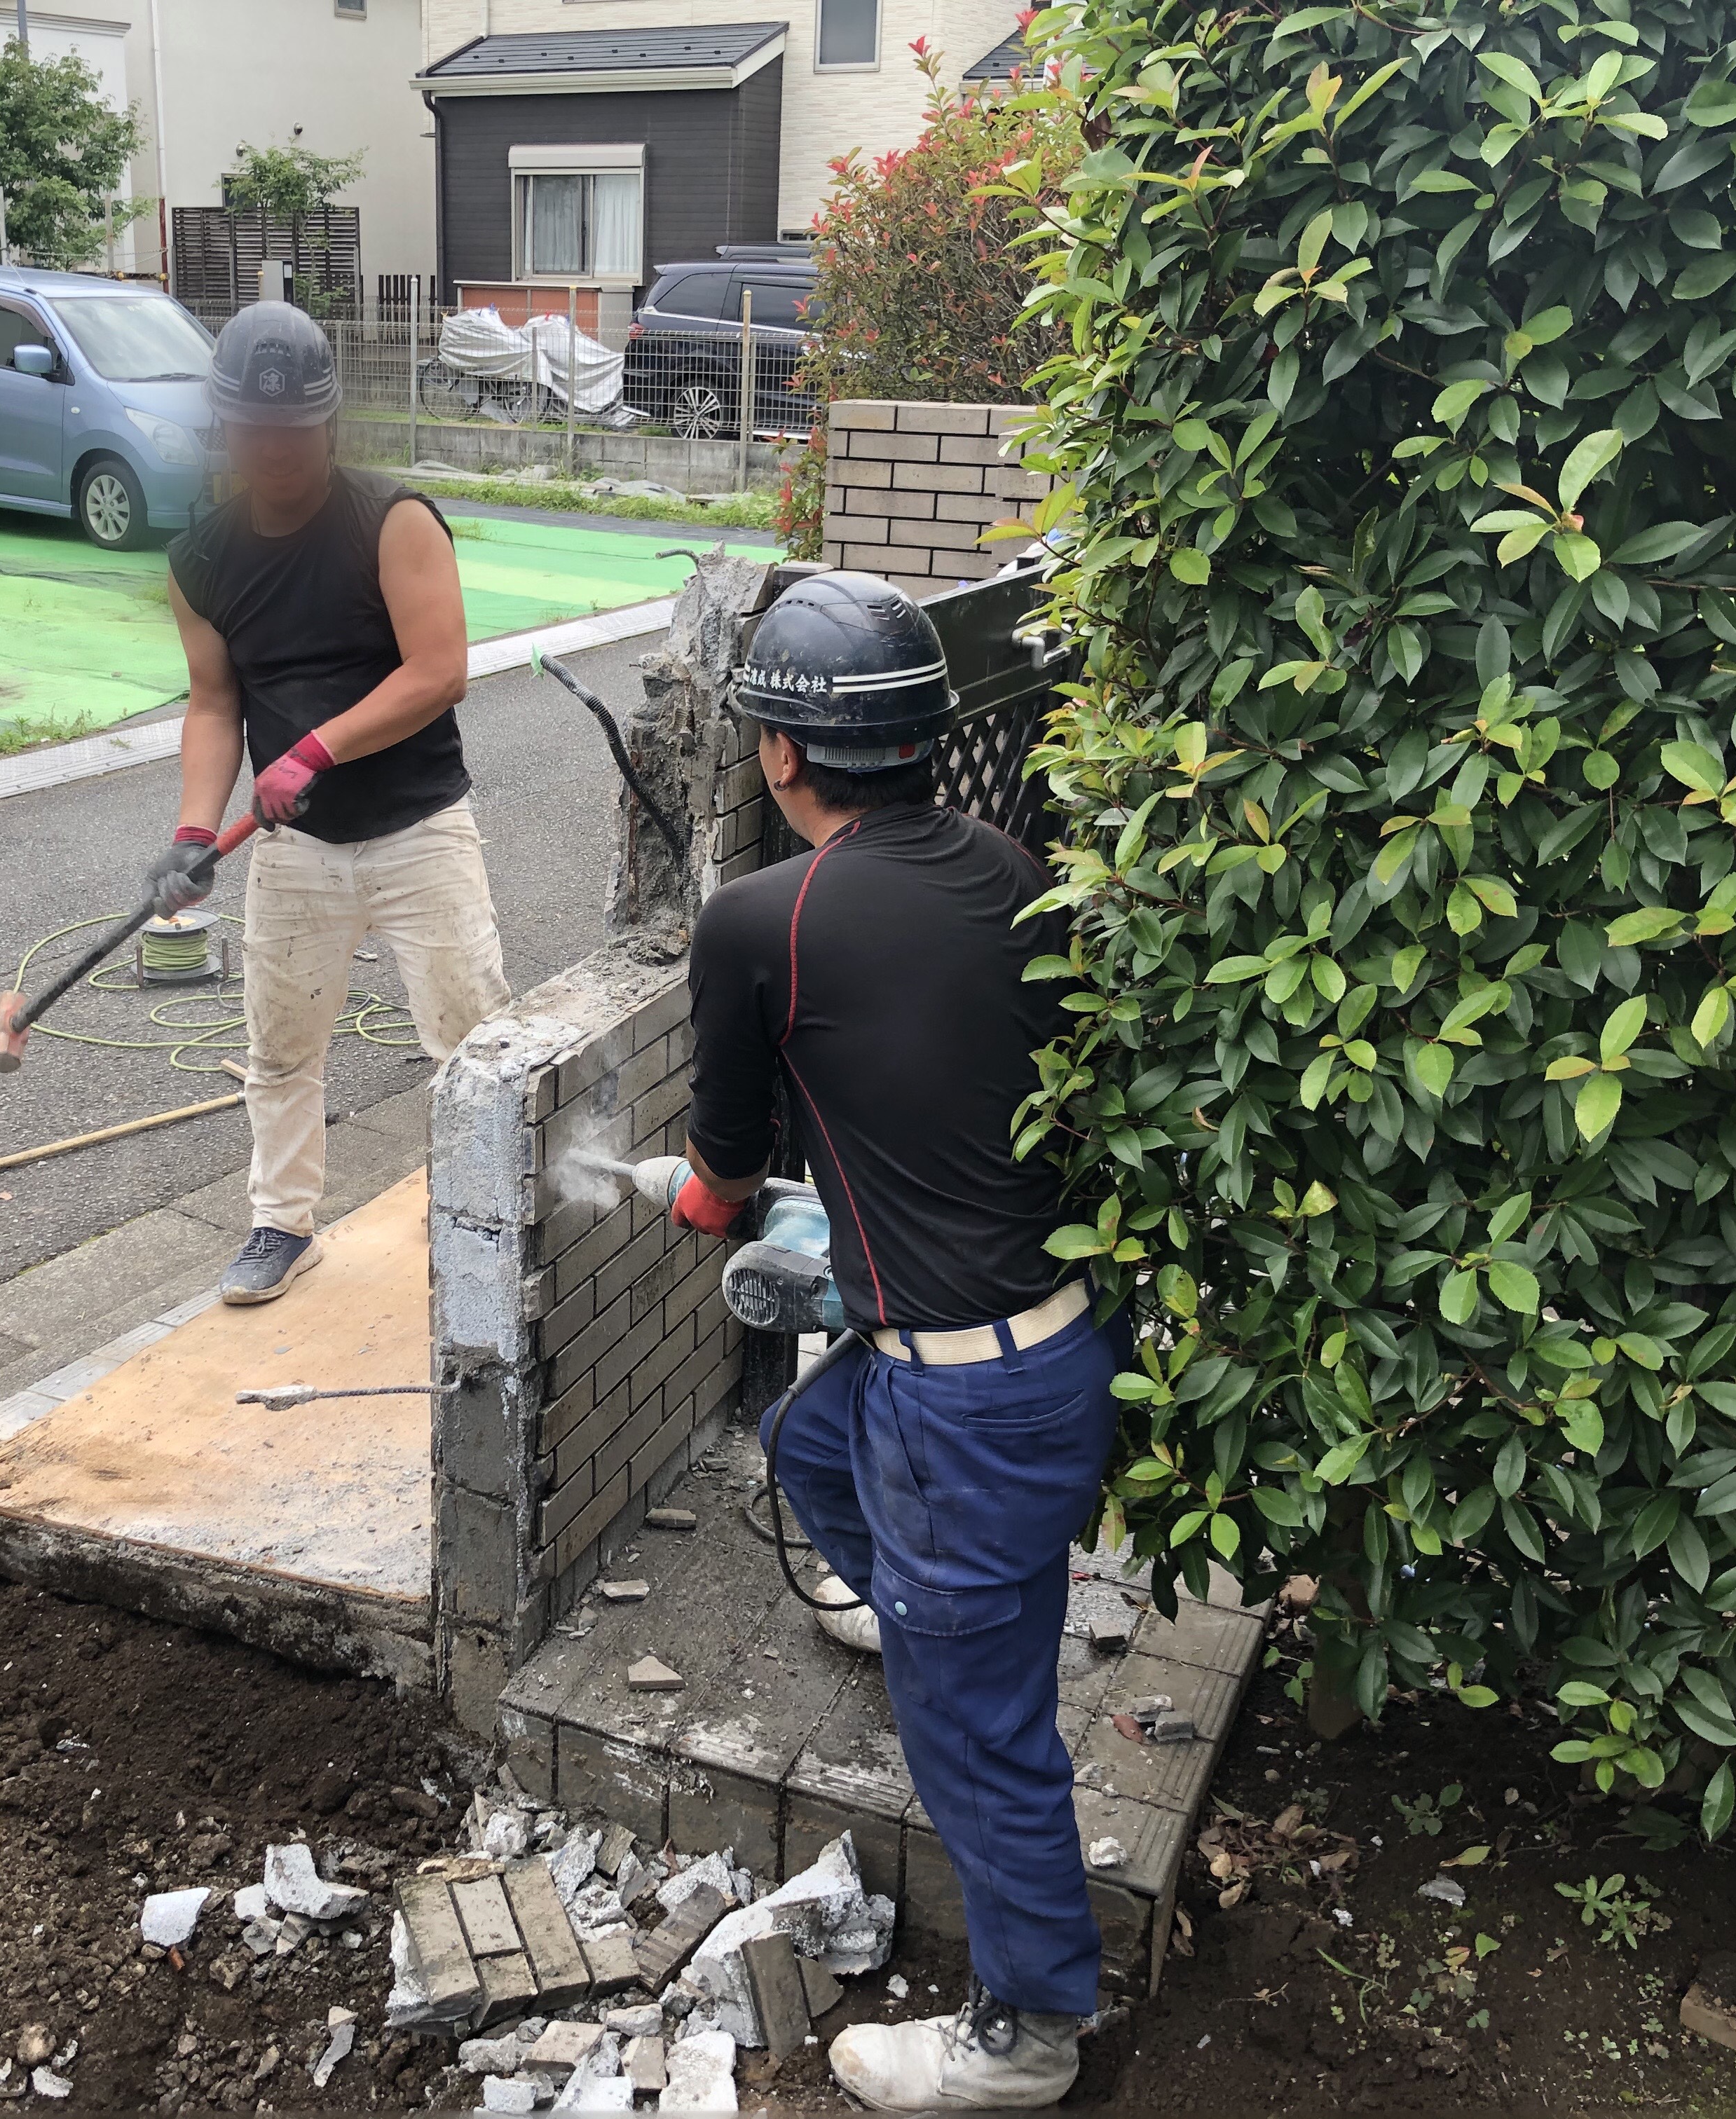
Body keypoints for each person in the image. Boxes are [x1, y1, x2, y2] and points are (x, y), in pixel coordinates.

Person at [671, 570, 1121, 2108]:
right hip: (1054, 1348)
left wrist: (698, 1197)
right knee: (806, 1439)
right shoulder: (1006, 866)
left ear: (782, 753)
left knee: (981, 1738)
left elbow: (721, 1181)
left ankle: (1029, 2035)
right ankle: (914, 1603)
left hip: (969, 1407)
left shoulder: (761, 923)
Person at [151, 300, 510, 1303]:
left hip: (419, 828)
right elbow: (215, 704)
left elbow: (439, 671)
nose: (275, 447)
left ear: (330, 421)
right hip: (297, 850)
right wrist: (192, 831)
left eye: (295, 428)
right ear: (225, 424)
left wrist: (315, 747)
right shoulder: (200, 560)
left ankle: (492, 1218)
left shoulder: (393, 521)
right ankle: (282, 1223)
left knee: (474, 1041)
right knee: (279, 1045)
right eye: (254, 427)